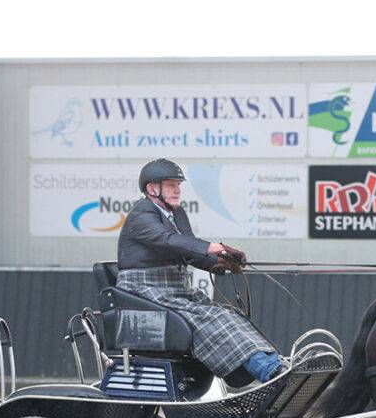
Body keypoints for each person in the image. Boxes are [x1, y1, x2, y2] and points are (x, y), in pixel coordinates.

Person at [115, 158, 283, 385]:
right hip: (143, 290)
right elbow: (168, 241)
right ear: (152, 188)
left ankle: (274, 365)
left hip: (174, 287)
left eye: (179, 185)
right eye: (171, 185)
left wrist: (221, 263)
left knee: (228, 314)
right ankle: (271, 372)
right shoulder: (141, 214)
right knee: (211, 317)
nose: (177, 190)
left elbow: (188, 252)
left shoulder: (177, 214)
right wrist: (214, 247)